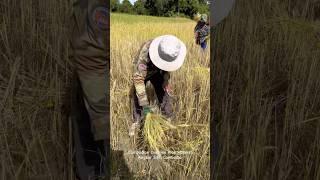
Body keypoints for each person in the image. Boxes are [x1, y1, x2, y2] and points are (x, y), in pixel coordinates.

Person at [70, 0, 109, 179]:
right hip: (92, 69)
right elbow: (92, 52)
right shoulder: (97, 10)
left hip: (90, 66)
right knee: (98, 119)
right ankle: (97, 169)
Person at [129, 35, 187, 136]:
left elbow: (167, 66)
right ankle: (137, 120)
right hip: (144, 72)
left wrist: (165, 79)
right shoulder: (144, 55)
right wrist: (145, 106)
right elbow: (139, 82)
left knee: (164, 91)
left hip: (157, 71)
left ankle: (168, 117)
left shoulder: (169, 50)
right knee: (138, 95)